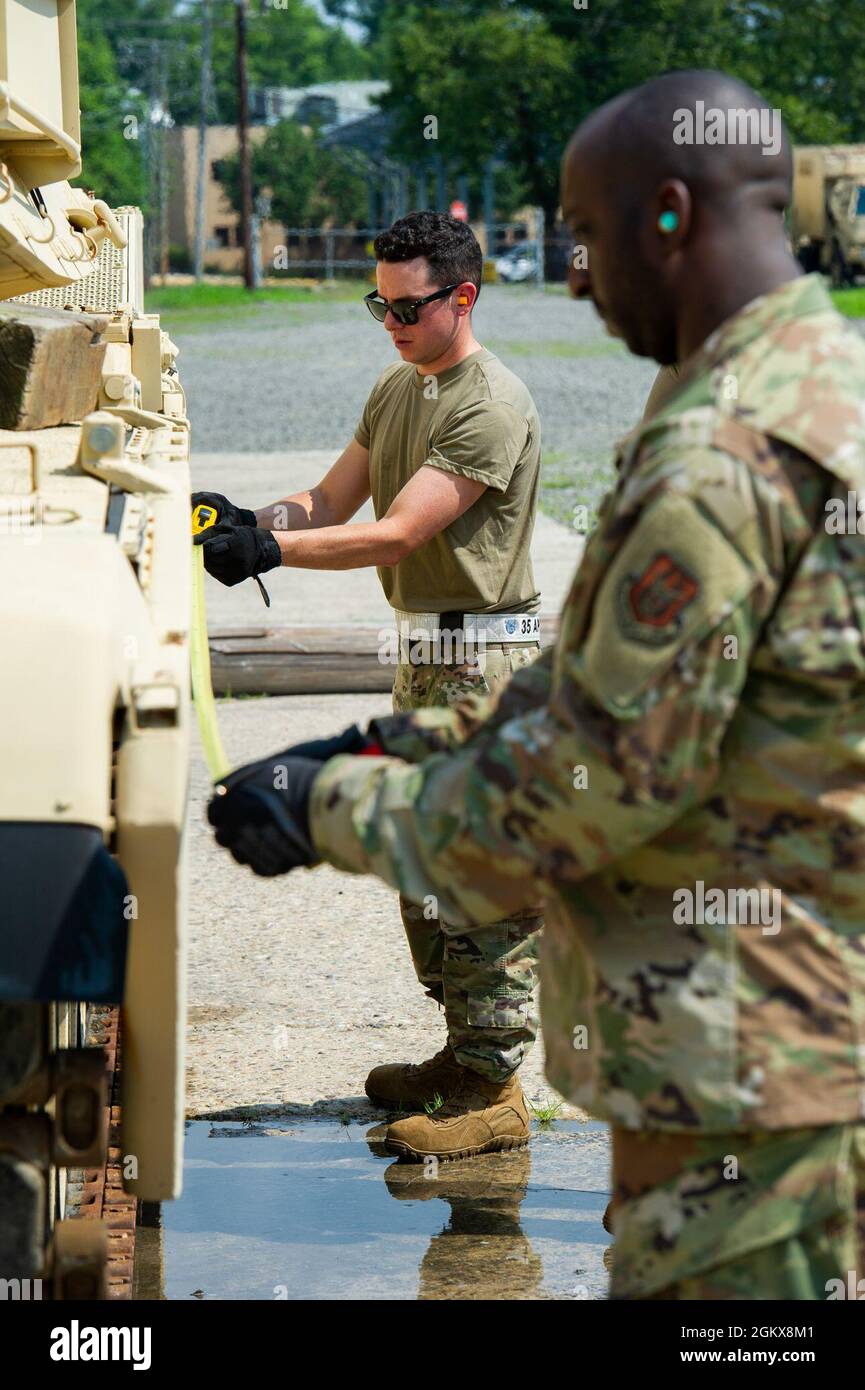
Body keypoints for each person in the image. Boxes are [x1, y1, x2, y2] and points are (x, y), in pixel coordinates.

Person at [207, 69, 865, 1298]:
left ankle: (489, 1080)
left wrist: (326, 807)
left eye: (584, 234)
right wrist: (387, 740)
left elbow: (591, 785)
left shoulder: (725, 457)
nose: (572, 273)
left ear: (668, 216)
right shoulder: (797, 391)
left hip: (746, 1049)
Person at [193, 211, 544, 1158]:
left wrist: (274, 549)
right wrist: (244, 520)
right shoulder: (399, 388)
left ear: (461, 298)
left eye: (405, 308)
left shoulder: (490, 402)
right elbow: (330, 500)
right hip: (426, 658)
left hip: (481, 662)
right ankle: (463, 1057)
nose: (388, 323)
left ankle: (498, 1088)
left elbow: (396, 533)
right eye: (377, 306)